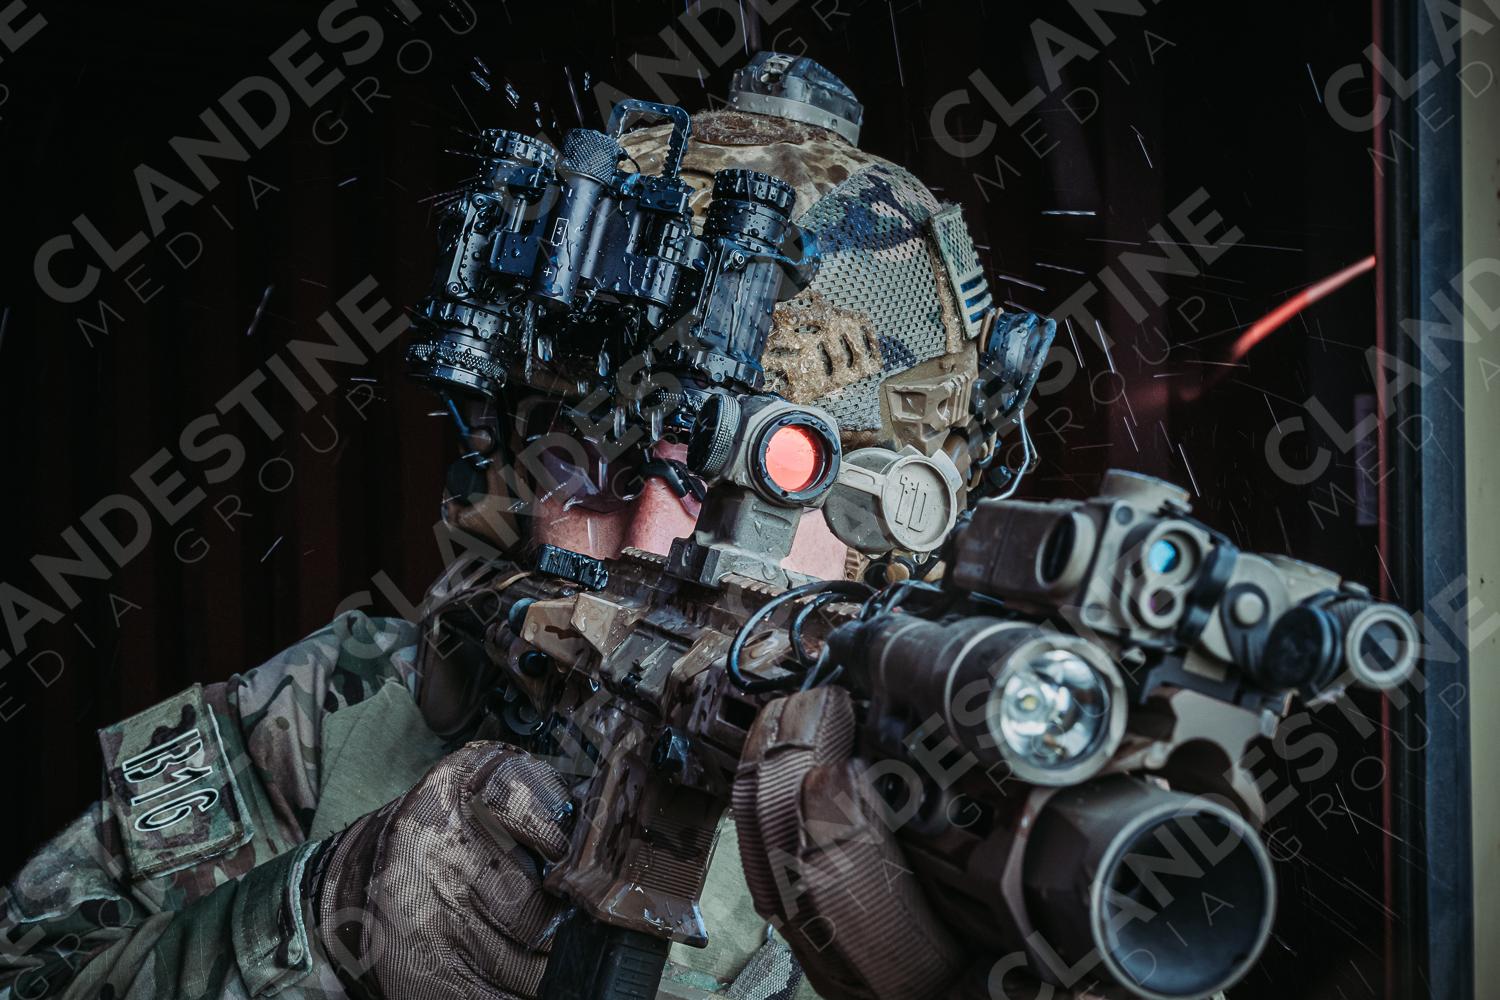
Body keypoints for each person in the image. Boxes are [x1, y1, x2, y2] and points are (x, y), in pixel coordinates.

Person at [0, 53, 1039, 1000]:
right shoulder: (328, 718)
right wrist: (325, 916)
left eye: (750, 485)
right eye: (598, 465)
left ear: (892, 526)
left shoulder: (974, 807)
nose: (651, 537)